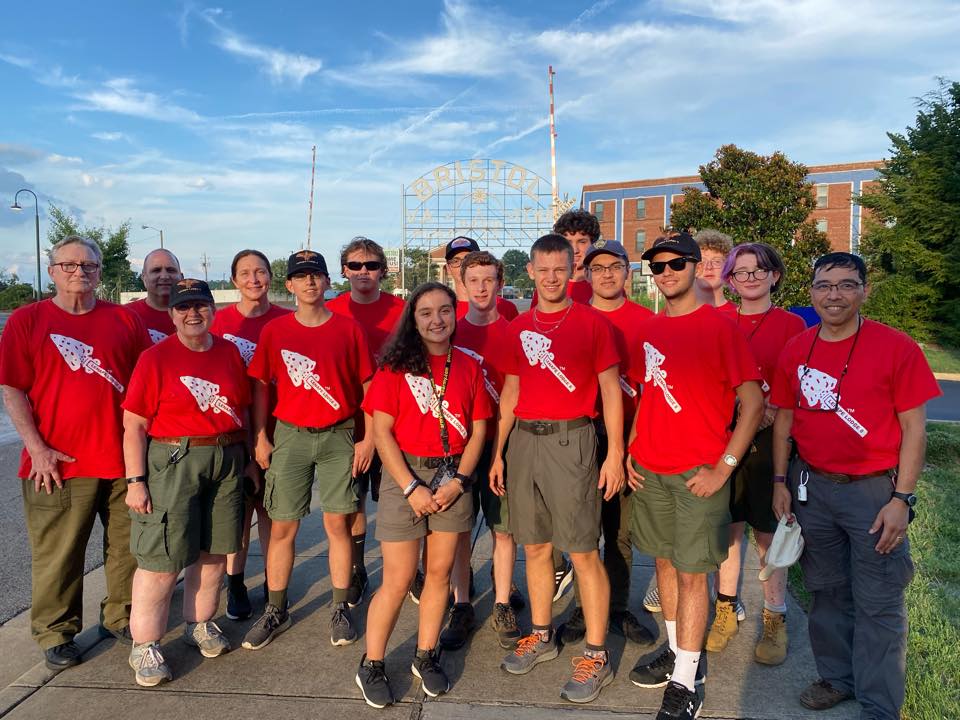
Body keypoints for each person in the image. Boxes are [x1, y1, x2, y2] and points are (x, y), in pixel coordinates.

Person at [770, 252, 940, 719]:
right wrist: (781, 479)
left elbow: (915, 430)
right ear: (811, 292)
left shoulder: (896, 347)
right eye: (824, 285)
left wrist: (901, 499)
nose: (834, 295)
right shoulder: (797, 348)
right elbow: (785, 417)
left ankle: (879, 704)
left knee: (878, 600)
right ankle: (837, 678)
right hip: (812, 488)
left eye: (847, 285)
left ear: (865, 290)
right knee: (826, 591)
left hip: (873, 493)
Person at [625, 231, 763, 720]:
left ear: (693, 266)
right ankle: (678, 652)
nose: (666, 274)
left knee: (690, 577)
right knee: (663, 568)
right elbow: (648, 394)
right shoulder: (650, 330)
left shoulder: (720, 328)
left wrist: (723, 467)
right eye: (657, 267)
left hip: (696, 476)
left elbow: (753, 403)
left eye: (675, 264)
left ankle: (688, 682)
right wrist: (630, 449)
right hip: (650, 470)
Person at [0, 235, 148, 671]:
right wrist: (37, 449)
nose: (79, 273)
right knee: (59, 554)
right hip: (58, 463)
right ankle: (56, 632)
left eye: (88, 266)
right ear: (52, 272)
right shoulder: (29, 320)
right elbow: (12, 388)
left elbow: (145, 386)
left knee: (127, 550)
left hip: (122, 462)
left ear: (100, 272)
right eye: (69, 265)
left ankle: (120, 618)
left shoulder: (123, 321)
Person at [491, 233, 624, 704]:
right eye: (542, 269)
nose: (550, 278)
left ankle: (595, 653)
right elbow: (510, 392)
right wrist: (498, 452)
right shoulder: (515, 327)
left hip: (573, 440)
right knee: (536, 546)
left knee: (584, 550)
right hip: (525, 439)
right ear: (530, 272)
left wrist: (614, 454)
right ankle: (543, 633)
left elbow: (611, 391)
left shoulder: (591, 324)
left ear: (573, 271)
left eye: (559, 269)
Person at [355, 282, 491, 708]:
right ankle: (372, 663)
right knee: (397, 579)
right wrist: (411, 486)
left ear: (455, 314)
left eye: (445, 311)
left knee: (439, 574)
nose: (437, 320)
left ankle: (425, 654)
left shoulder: (466, 365)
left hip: (453, 475)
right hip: (405, 474)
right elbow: (380, 431)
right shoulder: (395, 367)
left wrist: (460, 481)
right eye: (426, 312)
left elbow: (480, 427)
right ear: (413, 319)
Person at [122, 278, 251, 686]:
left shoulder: (229, 352)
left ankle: (200, 623)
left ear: (212, 309)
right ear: (171, 313)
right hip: (174, 458)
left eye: (200, 305)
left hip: (226, 455)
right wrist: (136, 481)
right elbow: (134, 425)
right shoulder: (156, 358)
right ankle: (145, 645)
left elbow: (241, 409)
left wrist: (246, 459)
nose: (192, 313)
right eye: (183, 307)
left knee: (214, 552)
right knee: (161, 559)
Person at [242, 250, 374, 651]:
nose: (310, 282)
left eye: (316, 275)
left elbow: (367, 387)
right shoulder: (276, 332)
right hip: (291, 435)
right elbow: (262, 386)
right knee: (282, 524)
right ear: (290, 285)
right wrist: (261, 437)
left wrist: (367, 438)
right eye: (301, 276)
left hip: (338, 435)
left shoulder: (348, 329)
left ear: (327, 280)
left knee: (338, 524)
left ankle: (339, 605)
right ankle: (276, 607)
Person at [704, 243, 806, 664]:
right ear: (729, 278)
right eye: (741, 272)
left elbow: (798, 380)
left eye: (758, 270)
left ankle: (774, 615)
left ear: (775, 275)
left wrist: (769, 412)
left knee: (767, 531)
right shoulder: (715, 319)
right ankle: (725, 608)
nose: (750, 278)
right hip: (722, 437)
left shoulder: (791, 324)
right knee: (726, 528)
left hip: (769, 440)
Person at [561, 240, 656, 648]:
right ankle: (585, 608)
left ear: (627, 273)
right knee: (583, 530)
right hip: (580, 433)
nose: (606, 274)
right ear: (585, 275)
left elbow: (653, 390)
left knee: (619, 529)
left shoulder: (647, 321)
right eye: (597, 268)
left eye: (614, 267)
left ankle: (617, 607)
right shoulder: (571, 319)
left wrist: (630, 447)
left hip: (630, 434)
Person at [440, 251, 524, 652]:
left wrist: (503, 451)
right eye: (473, 280)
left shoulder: (515, 331)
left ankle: (504, 601)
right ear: (462, 283)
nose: (481, 288)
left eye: (489, 280)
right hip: (458, 446)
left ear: (500, 283)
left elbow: (514, 396)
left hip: (500, 442)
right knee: (457, 529)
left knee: (502, 528)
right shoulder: (450, 333)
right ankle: (461, 602)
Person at [210, 249, 291, 621]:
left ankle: (273, 587)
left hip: (279, 429)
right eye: (245, 273)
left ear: (271, 277)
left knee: (272, 512)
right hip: (231, 432)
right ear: (234, 280)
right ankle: (236, 582)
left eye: (260, 272)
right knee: (237, 513)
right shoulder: (219, 323)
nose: (254, 279)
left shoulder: (286, 320)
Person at [328, 236, 407, 605]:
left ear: (383, 271)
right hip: (351, 421)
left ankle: (410, 570)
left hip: (399, 419)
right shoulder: (332, 311)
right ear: (343, 270)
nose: (363, 272)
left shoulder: (401, 310)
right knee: (354, 500)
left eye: (371, 265)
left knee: (402, 496)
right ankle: (358, 569)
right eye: (356, 265)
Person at [444, 235, 519, 321]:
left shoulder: (505, 307)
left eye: (467, 259)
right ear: (448, 269)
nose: (462, 266)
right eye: (455, 261)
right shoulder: (443, 309)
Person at [125, 248, 182, 343]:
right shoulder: (126, 317)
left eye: (170, 270)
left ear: (181, 277)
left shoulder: (198, 317)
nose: (164, 276)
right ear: (144, 278)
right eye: (156, 270)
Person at [693, 229, 736, 316]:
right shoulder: (679, 314)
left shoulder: (739, 315)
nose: (709, 267)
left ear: (727, 267)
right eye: (703, 261)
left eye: (716, 261)